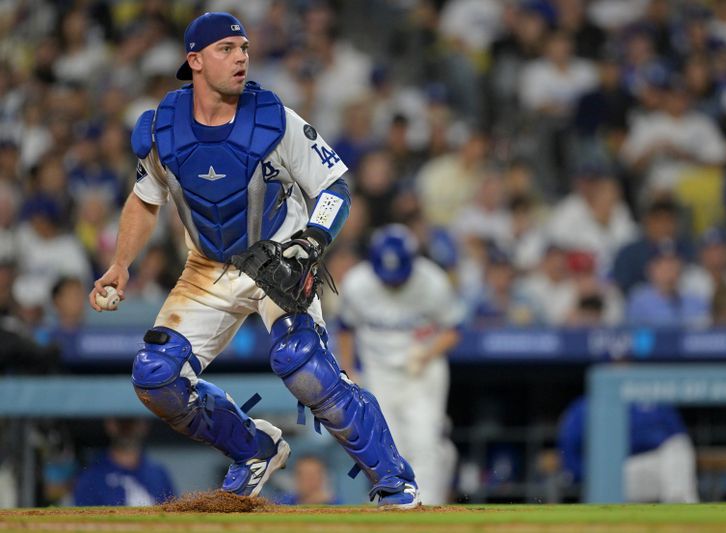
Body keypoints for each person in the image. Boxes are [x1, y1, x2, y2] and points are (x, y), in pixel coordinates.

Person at [88, 12, 419, 509]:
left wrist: (311, 242)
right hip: (207, 268)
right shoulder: (163, 128)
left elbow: (334, 188)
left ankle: (395, 483)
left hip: (279, 259)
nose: (241, 56)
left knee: (303, 363)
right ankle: (255, 448)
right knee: (155, 376)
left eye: (243, 47)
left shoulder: (274, 117)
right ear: (194, 60)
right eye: (226, 48)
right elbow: (144, 198)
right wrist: (121, 263)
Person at [337, 225, 463, 505]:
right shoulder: (358, 283)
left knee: (425, 441)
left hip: (422, 373)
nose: (393, 282)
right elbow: (345, 328)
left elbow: (454, 329)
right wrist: (348, 369)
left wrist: (427, 353)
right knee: (387, 446)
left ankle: (426, 508)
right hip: (379, 373)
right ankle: (395, 505)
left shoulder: (432, 281)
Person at [558, 396, 699, 503]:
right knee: (676, 477)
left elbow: (678, 437)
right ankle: (683, 510)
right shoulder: (586, 406)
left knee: (677, 449)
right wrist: (587, 476)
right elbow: (570, 448)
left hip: (657, 467)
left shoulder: (652, 400)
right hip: (613, 475)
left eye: (625, 362)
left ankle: (681, 508)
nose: (620, 369)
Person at [72, 418, 175, 506]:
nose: (126, 428)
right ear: (109, 424)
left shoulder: (159, 474)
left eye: (132, 422)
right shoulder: (91, 476)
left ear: (144, 424)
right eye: (121, 422)